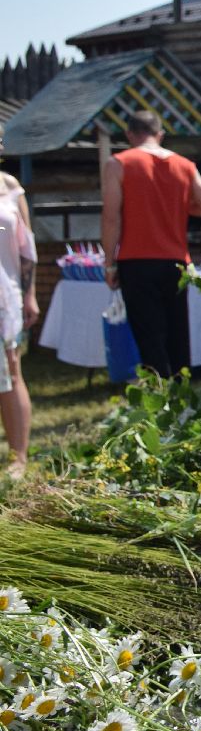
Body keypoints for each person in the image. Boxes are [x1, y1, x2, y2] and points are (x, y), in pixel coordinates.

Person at [100, 110, 201, 377]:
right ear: (160, 134)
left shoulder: (119, 163)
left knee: (149, 335)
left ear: (130, 134)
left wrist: (109, 263)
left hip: (137, 261)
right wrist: (183, 209)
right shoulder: (185, 165)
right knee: (178, 334)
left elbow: (111, 217)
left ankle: (159, 400)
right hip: (177, 261)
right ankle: (182, 397)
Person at [0, 125, 38, 480]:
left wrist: (30, 293)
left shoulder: (10, 187)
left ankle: (18, 457)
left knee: (11, 371)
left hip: (5, 294)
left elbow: (28, 250)